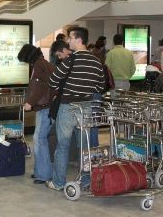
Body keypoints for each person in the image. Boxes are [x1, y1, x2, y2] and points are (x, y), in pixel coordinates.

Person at [47, 27, 105, 190]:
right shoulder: (96, 61)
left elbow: (52, 81)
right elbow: (100, 86)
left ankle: (58, 182)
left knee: (63, 146)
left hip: (68, 107)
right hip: (86, 107)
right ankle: (86, 180)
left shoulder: (71, 60)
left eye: (70, 38)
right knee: (85, 147)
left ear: (79, 40)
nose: (68, 41)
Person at [17, 44, 55, 185]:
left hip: (45, 107)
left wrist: (30, 102)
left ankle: (43, 174)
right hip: (48, 106)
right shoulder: (45, 63)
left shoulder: (38, 65)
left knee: (39, 139)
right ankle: (40, 171)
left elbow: (37, 85)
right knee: (40, 139)